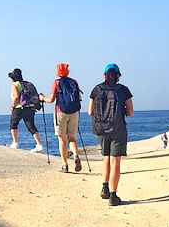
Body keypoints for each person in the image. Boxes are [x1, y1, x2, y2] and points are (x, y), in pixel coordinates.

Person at [89, 63, 134, 206]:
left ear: (104, 75)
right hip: (118, 129)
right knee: (115, 162)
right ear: (118, 76)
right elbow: (131, 112)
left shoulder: (96, 89)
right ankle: (113, 196)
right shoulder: (124, 90)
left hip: (101, 129)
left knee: (106, 158)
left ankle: (105, 187)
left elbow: (90, 112)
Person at [38, 63, 83, 172]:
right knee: (72, 138)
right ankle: (75, 155)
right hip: (74, 112)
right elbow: (79, 98)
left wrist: (42, 98)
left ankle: (64, 165)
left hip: (60, 112)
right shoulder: (74, 82)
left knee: (62, 139)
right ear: (68, 71)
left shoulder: (56, 82)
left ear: (57, 72)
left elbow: (51, 100)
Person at [7, 68, 44, 153]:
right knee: (31, 126)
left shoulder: (14, 85)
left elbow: (16, 96)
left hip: (19, 107)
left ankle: (15, 143)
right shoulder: (28, 84)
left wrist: (13, 106)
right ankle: (39, 145)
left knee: (13, 124)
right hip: (30, 107)